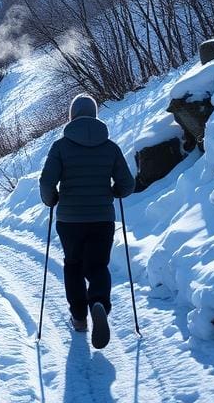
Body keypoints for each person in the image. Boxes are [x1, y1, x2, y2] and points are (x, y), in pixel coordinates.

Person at [39, 94, 135, 349]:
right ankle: (99, 302)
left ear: (72, 116)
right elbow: (127, 184)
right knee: (97, 266)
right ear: (94, 115)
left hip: (70, 219)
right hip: (102, 218)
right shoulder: (110, 147)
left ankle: (80, 318)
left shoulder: (60, 147)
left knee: (73, 266)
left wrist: (51, 199)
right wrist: (113, 191)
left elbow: (47, 182)